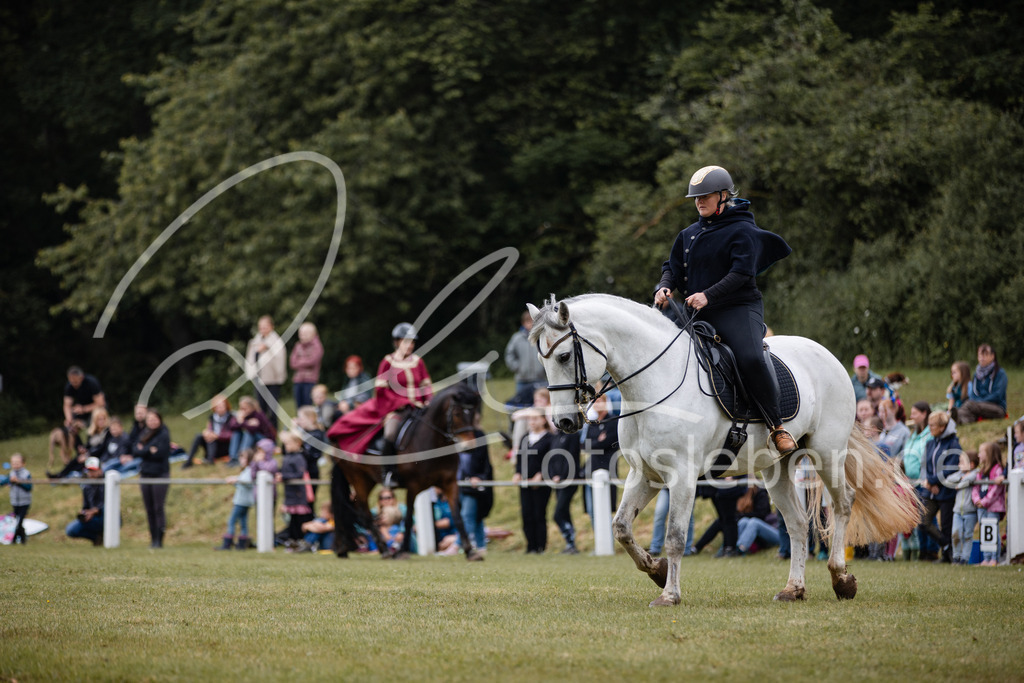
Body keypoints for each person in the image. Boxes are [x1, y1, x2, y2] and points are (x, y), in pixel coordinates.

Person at [653, 165, 796, 457]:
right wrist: (665, 286)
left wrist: (708, 295)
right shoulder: (688, 234)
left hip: (738, 308)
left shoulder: (742, 230)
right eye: (695, 197)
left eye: (705, 196)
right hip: (699, 313)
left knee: (750, 357)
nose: (699, 202)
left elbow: (742, 273)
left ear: (722, 196)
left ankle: (776, 426)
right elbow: (672, 268)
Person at [327, 323, 433, 459]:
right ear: (396, 342)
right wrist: (401, 402)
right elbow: (381, 390)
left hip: (419, 409)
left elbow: (426, 385)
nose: (410, 345)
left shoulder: (418, 362)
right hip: (398, 410)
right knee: (390, 434)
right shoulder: (387, 362)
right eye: (406, 341)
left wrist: (429, 401)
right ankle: (388, 470)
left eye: (412, 342)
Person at [919, 411, 961, 563]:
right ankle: (946, 544)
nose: (929, 428)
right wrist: (929, 483)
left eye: (932, 425)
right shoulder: (930, 443)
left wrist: (933, 480)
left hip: (946, 491)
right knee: (924, 521)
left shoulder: (953, 444)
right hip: (930, 491)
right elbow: (924, 465)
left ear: (942, 427)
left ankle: (947, 556)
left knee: (946, 525)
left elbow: (951, 467)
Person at [513, 409, 554, 554]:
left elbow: (552, 460)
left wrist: (541, 475)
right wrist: (517, 473)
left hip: (540, 485)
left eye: (535, 419)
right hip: (525, 483)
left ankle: (540, 547)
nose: (532, 422)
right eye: (530, 419)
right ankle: (530, 546)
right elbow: (520, 459)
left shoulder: (549, 438)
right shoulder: (525, 437)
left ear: (543, 420)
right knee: (526, 514)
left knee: (539, 514)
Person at [900, 401, 934, 560]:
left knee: (927, 516)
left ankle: (931, 550)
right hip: (911, 482)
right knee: (918, 519)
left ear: (924, 413)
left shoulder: (929, 434)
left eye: (914, 413)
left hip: (924, 481)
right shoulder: (913, 434)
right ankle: (922, 550)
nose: (911, 416)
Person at [135, 408, 172, 549]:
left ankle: (159, 541)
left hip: (160, 474)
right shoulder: (144, 433)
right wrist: (148, 450)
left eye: (155, 419)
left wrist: (145, 450)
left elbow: (161, 453)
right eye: (149, 419)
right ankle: (153, 538)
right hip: (145, 474)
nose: (152, 421)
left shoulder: (164, 433)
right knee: (149, 508)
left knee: (158, 507)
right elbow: (135, 450)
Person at [245, 315, 287, 430]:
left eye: (265, 327)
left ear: (271, 327)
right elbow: (251, 358)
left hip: (273, 380)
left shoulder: (276, 341)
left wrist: (267, 348)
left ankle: (273, 434)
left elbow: (280, 358)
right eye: (261, 327)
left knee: (272, 410)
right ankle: (263, 434)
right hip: (259, 379)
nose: (263, 329)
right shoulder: (255, 341)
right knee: (261, 409)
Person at [458, 427, 493, 553]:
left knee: (467, 515)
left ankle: (459, 544)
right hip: (459, 486)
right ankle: (481, 545)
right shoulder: (457, 447)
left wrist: (479, 478)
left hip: (473, 488)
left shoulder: (479, 447)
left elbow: (486, 467)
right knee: (476, 517)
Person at [955, 344, 1009, 424]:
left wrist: (979, 402)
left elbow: (998, 395)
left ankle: (955, 417)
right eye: (980, 355)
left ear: (992, 356)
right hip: (977, 406)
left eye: (985, 355)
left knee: (969, 405)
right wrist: (977, 402)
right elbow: (973, 394)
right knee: (969, 410)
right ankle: (960, 421)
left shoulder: (1000, 374)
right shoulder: (976, 375)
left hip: (997, 407)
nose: (982, 358)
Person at [547, 427, 581, 554]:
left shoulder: (573, 435)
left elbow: (572, 457)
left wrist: (563, 476)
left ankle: (571, 541)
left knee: (558, 514)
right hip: (557, 482)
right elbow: (551, 458)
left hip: (569, 480)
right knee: (564, 513)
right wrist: (552, 475)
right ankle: (571, 544)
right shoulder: (555, 436)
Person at [972, 442, 1006, 566]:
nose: (979, 455)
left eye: (981, 452)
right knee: (984, 532)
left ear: (989, 454)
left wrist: (985, 501)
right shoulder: (980, 471)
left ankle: (994, 558)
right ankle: (986, 558)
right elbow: (975, 488)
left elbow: (995, 490)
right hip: (981, 507)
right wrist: (977, 500)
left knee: (992, 531)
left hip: (993, 507)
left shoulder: (997, 470)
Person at [504, 310, 547, 406]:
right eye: (528, 322)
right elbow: (509, 355)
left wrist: (545, 369)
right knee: (522, 405)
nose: (530, 324)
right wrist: (518, 367)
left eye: (533, 322)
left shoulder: (541, 337)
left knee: (540, 405)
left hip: (540, 379)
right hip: (522, 380)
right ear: (523, 323)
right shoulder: (516, 338)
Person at [279, 432, 314, 545]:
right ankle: (293, 540)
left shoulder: (299, 457)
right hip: (290, 494)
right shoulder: (287, 456)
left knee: (299, 519)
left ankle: (302, 540)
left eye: (289, 443)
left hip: (298, 494)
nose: (286, 446)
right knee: (292, 519)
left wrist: (284, 477)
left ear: (298, 443)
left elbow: (299, 473)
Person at [184, 394, 237, 468]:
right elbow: (209, 429)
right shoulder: (212, 417)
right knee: (199, 436)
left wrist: (217, 436)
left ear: (226, 406)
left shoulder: (232, 417)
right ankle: (189, 461)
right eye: (218, 407)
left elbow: (232, 435)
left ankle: (210, 460)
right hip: (212, 444)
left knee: (212, 438)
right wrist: (206, 432)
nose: (220, 409)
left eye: (222, 406)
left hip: (224, 446)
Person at [218, 449, 255, 550]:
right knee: (243, 522)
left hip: (242, 501)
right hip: (244, 501)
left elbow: (246, 482)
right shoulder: (246, 470)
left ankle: (227, 543)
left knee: (231, 521)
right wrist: (235, 480)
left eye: (243, 457)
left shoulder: (250, 470)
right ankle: (242, 544)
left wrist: (236, 481)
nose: (241, 460)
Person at [64, 457, 106, 545]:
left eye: (94, 470)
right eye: (89, 471)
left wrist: (94, 511)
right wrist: (84, 512)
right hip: (92, 518)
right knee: (70, 530)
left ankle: (103, 535)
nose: (91, 474)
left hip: (103, 516)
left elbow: (105, 505)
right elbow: (86, 505)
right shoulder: (86, 486)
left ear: (100, 470)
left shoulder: (107, 483)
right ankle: (97, 538)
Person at [948, 450, 980, 565]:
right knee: (955, 534)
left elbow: (971, 478)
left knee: (967, 535)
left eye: (962, 462)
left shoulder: (976, 473)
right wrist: (961, 479)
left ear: (971, 464)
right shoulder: (960, 474)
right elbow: (949, 479)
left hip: (970, 512)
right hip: (957, 511)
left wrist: (960, 483)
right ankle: (956, 556)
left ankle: (964, 559)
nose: (958, 465)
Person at [229, 396, 276, 464]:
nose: (242, 411)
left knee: (248, 433)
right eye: (241, 408)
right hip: (253, 439)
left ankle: (243, 457)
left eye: (245, 408)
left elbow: (253, 429)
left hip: (265, 439)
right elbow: (232, 427)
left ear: (251, 407)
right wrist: (244, 422)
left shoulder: (258, 415)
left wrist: (242, 422)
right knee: (236, 432)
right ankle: (233, 458)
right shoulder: (244, 416)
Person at [289, 321, 324, 410]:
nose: (301, 336)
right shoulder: (298, 345)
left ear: (313, 334)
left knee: (308, 406)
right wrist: (305, 360)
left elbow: (312, 361)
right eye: (300, 333)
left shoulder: (317, 346)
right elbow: (292, 363)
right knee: (299, 407)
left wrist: (300, 361)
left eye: (304, 333)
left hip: (310, 381)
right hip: (298, 380)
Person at [4, 453, 32, 545]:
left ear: (23, 463)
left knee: (20, 521)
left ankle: (14, 540)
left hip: (25, 502)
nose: (15, 465)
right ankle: (23, 538)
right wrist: (10, 481)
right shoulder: (11, 474)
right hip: (15, 501)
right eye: (13, 463)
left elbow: (29, 487)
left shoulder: (26, 474)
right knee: (17, 521)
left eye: (17, 463)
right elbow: (5, 482)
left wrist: (19, 482)